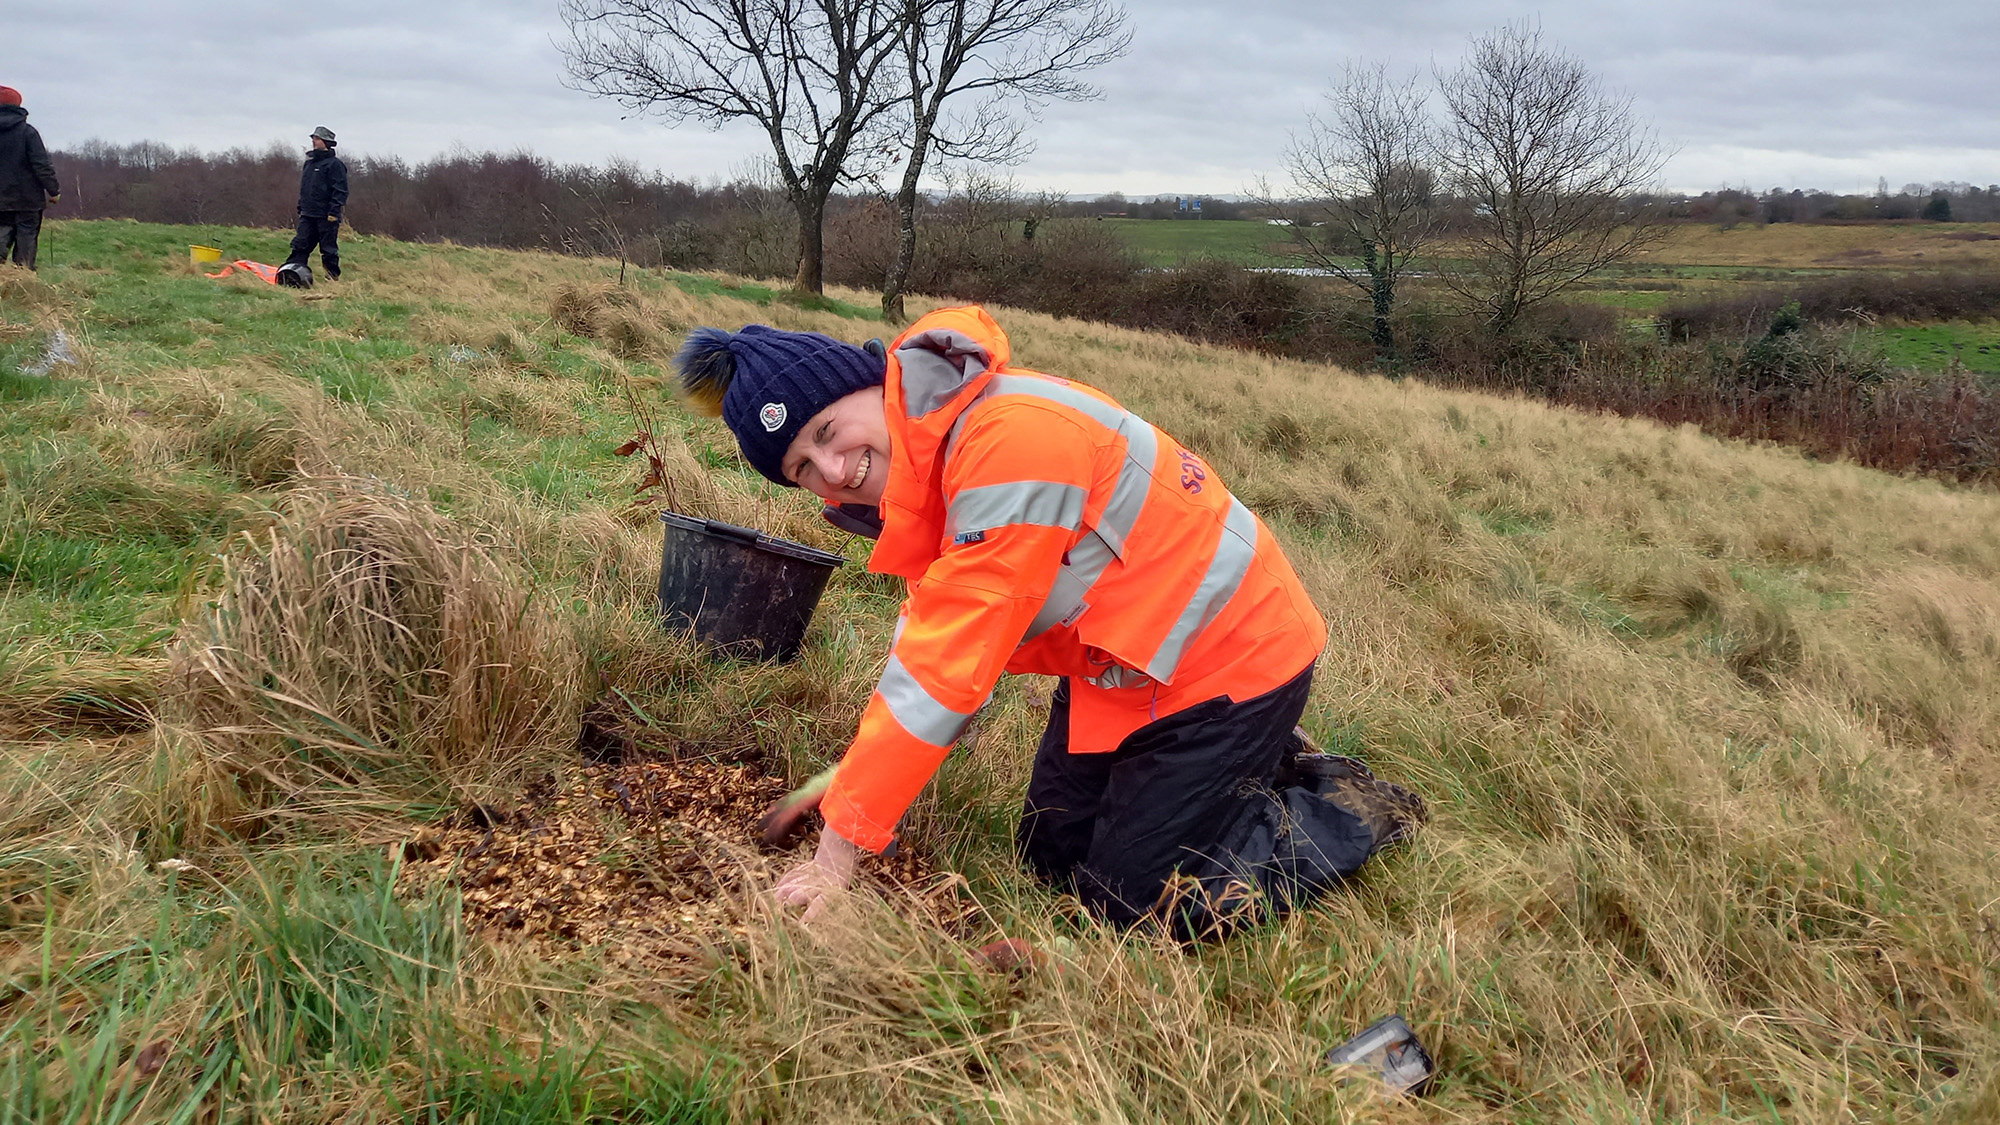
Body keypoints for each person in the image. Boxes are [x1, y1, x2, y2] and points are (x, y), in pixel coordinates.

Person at [675, 305, 1426, 939]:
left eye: (827, 430)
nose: (834, 471)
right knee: (1048, 860)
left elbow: (947, 668)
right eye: (803, 468)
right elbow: (931, 651)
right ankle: (1243, 769)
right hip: (1125, 665)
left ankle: (1348, 805)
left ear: (874, 384)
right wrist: (849, 783)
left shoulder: (1006, 442)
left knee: (1133, 908)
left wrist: (839, 849)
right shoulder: (928, 475)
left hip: (1232, 661)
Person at [0, 86, 61, 271]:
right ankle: (23, 279)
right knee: (26, 239)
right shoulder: (28, 133)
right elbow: (41, 165)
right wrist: (53, 190)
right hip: (28, 200)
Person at [284, 126, 347, 281]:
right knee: (299, 246)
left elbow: (340, 190)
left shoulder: (335, 165)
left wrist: (334, 211)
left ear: (326, 142)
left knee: (328, 250)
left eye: (317, 139)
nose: (314, 141)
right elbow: (305, 188)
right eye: (313, 138)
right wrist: (301, 206)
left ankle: (332, 278)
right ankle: (292, 276)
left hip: (326, 216)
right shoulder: (309, 164)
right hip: (307, 214)